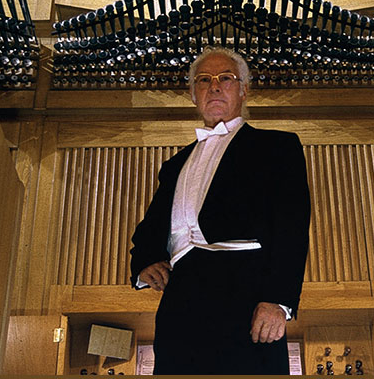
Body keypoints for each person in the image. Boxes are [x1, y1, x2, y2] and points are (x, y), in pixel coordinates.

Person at [130, 46, 311, 375]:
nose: (214, 87)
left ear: (244, 90)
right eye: (204, 80)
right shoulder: (175, 164)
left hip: (246, 293)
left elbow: (292, 226)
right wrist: (144, 262)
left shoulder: (277, 147)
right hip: (180, 298)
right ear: (193, 95)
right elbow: (150, 228)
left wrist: (279, 300)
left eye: (225, 78)